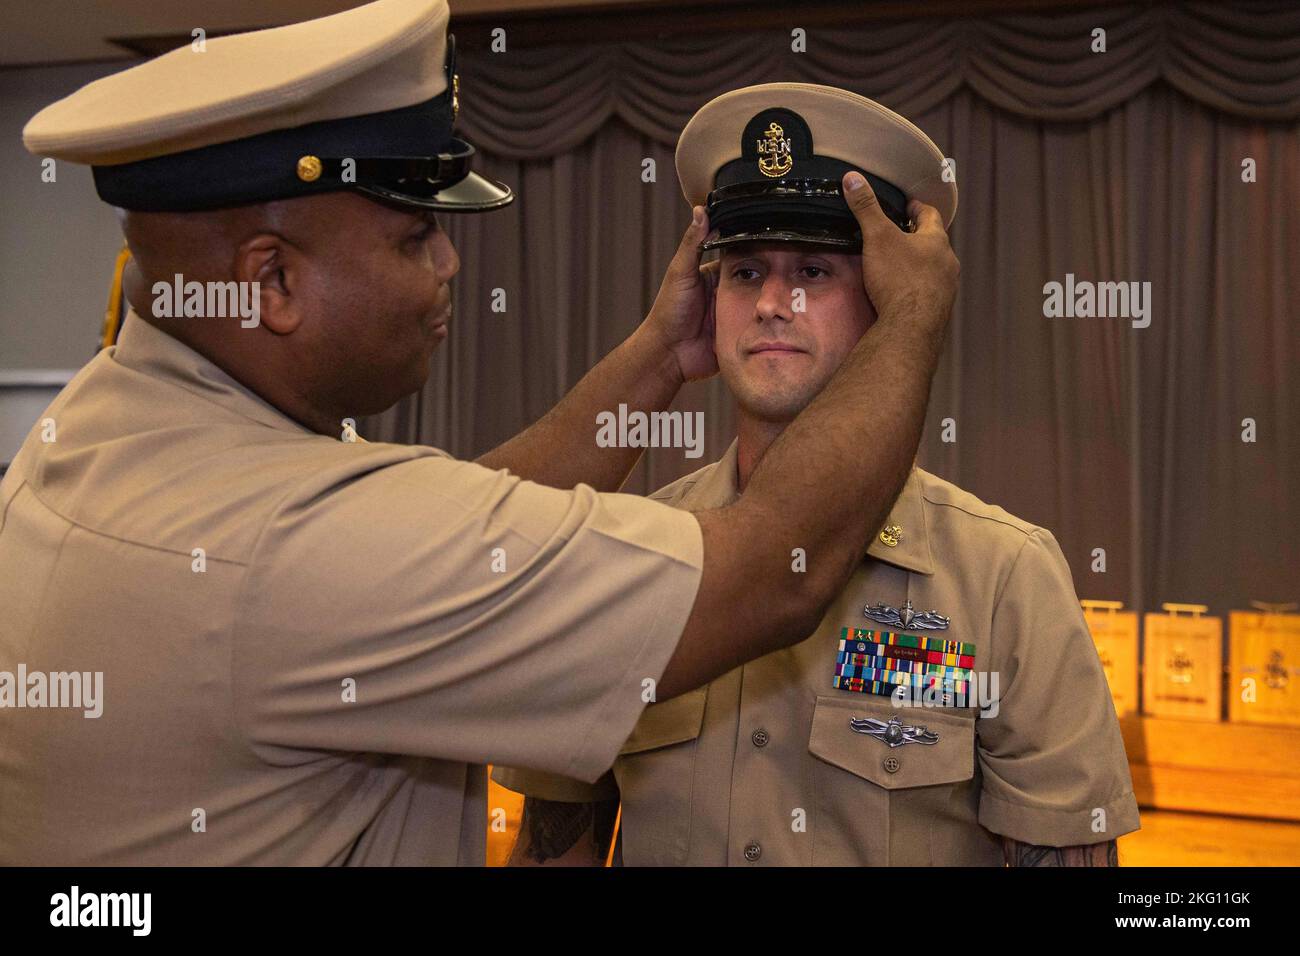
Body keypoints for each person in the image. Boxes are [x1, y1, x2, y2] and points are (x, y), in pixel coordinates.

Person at [0, 8, 959, 864]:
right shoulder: (287, 547)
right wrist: (914, 317)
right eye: (414, 237)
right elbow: (772, 574)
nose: (450, 263)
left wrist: (664, 355)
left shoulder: (96, 433)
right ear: (272, 281)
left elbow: (442, 536)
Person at [495, 83, 1140, 867]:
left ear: (890, 300)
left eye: (812, 270)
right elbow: (554, 840)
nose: (772, 301)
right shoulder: (630, 552)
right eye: (742, 272)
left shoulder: (1002, 576)